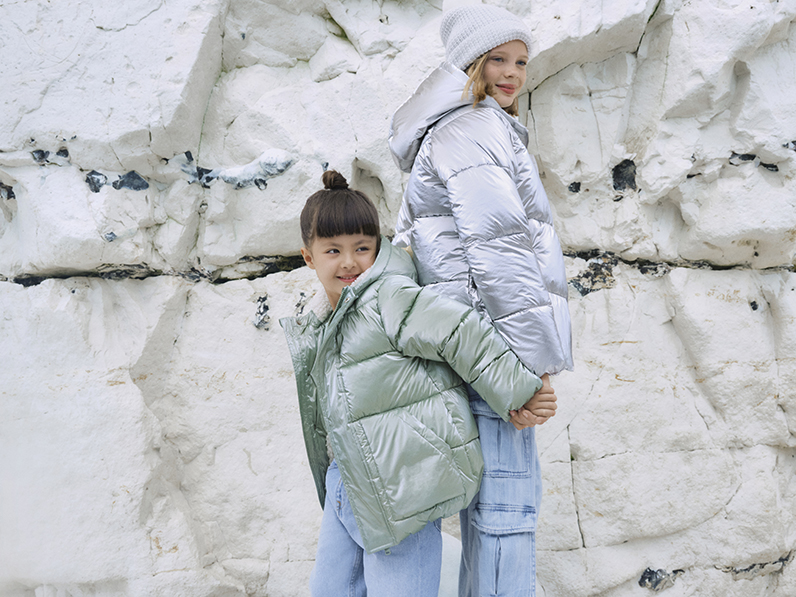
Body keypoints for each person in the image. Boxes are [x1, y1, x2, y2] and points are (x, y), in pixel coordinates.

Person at [280, 170, 557, 597]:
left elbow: (459, 332)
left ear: (378, 248)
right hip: (348, 482)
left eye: (362, 248)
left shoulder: (387, 297)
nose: (349, 261)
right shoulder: (318, 323)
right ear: (308, 257)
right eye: (333, 250)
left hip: (402, 487)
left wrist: (519, 391)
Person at [388, 5, 574, 596]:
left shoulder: (451, 128)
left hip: (473, 351)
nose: (513, 73)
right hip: (495, 355)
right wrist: (525, 373)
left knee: (488, 518)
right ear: (470, 62)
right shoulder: (474, 129)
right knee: (505, 519)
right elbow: (500, 255)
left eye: (521, 61)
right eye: (498, 59)